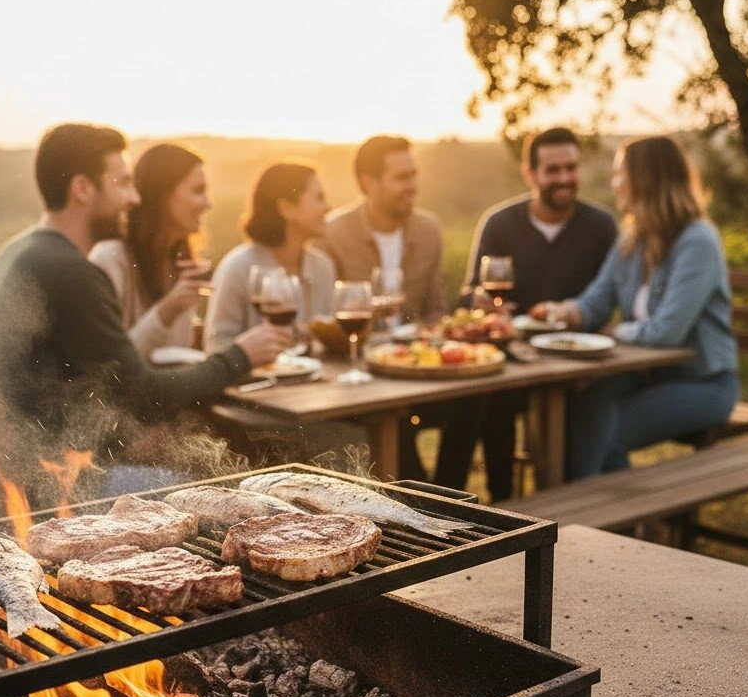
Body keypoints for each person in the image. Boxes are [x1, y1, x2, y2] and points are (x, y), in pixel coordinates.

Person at [0, 123, 292, 499]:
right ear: (82, 189)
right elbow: (144, 394)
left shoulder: (21, 250)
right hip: (64, 486)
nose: (135, 198)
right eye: (123, 182)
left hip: (26, 470)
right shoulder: (74, 274)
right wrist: (240, 356)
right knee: (223, 494)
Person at [531, 135, 739, 480]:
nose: (614, 184)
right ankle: (583, 514)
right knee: (581, 408)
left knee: (603, 435)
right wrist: (564, 311)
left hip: (705, 383)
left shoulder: (697, 241)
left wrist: (615, 332)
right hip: (646, 376)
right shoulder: (632, 238)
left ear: (643, 180)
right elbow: (595, 301)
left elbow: (667, 332)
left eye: (618, 174)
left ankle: (621, 524)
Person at [444, 127, 618, 499]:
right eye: (553, 170)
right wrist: (480, 303)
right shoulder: (500, 223)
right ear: (531, 174)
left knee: (580, 413)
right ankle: (500, 504)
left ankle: (569, 507)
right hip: (513, 361)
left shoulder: (601, 226)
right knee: (489, 398)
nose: (564, 179)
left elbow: (611, 300)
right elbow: (469, 295)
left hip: (576, 364)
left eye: (571, 168)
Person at [89, 143, 211, 359]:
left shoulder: (179, 262)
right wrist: (166, 311)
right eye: (198, 191)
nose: (208, 203)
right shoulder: (111, 258)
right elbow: (110, 364)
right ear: (163, 195)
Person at [204, 162, 336, 354]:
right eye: (319, 198)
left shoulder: (322, 267)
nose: (328, 207)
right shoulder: (238, 267)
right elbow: (216, 349)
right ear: (286, 208)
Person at [320, 135, 446, 324]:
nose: (412, 186)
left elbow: (436, 310)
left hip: (413, 350)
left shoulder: (429, 231)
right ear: (368, 183)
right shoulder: (333, 234)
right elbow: (324, 316)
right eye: (402, 177)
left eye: (414, 175)